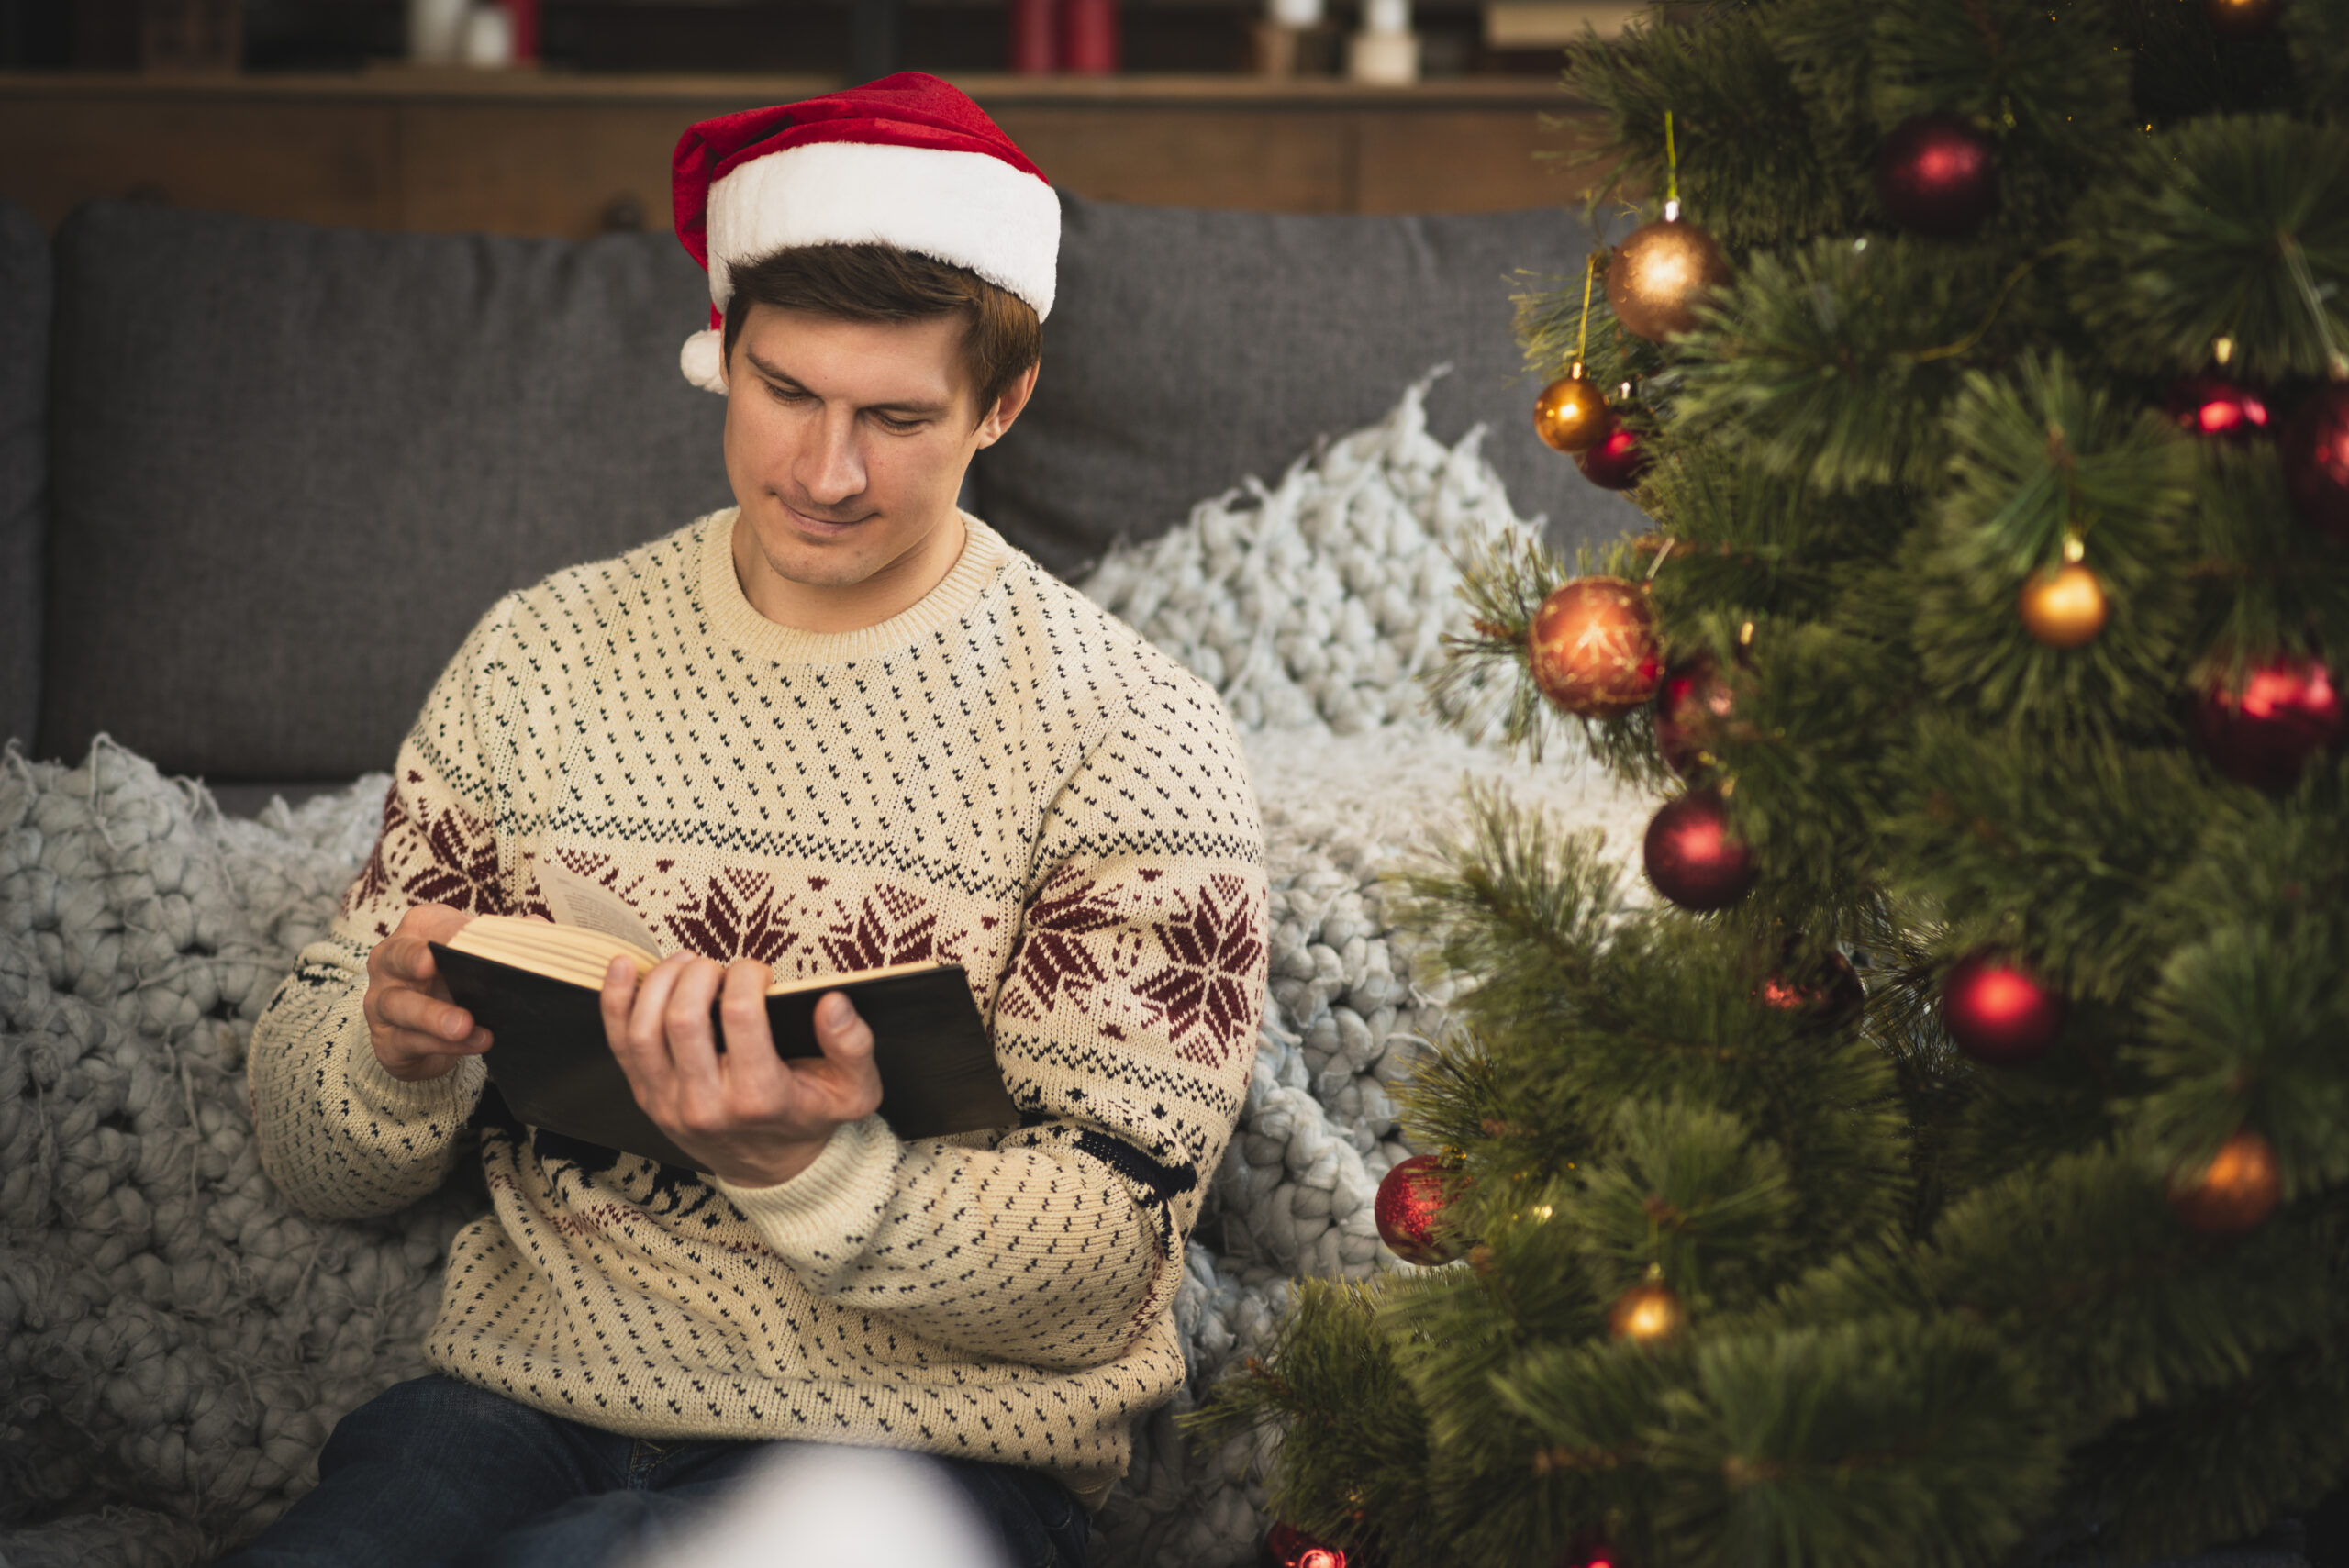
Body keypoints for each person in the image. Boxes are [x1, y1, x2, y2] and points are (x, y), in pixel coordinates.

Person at [228, 73, 1267, 1568]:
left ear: (1005, 402)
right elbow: (305, 1153)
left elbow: (1105, 1261)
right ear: (725, 352)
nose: (824, 473)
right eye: (785, 393)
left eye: (897, 417)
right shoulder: (539, 655)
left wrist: (810, 1169)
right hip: (517, 1402)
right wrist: (386, 1055)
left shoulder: (1130, 732)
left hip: (925, 1450)